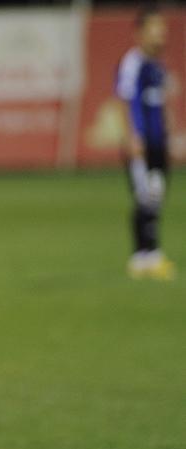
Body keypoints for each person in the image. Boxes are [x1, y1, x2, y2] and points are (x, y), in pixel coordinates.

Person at [116, 5, 175, 280]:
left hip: (158, 142)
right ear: (140, 32)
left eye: (162, 28)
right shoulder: (133, 62)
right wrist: (131, 136)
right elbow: (124, 99)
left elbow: (161, 105)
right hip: (140, 142)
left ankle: (147, 255)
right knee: (145, 197)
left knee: (156, 194)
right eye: (154, 28)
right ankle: (145, 255)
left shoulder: (157, 66)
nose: (160, 34)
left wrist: (169, 133)